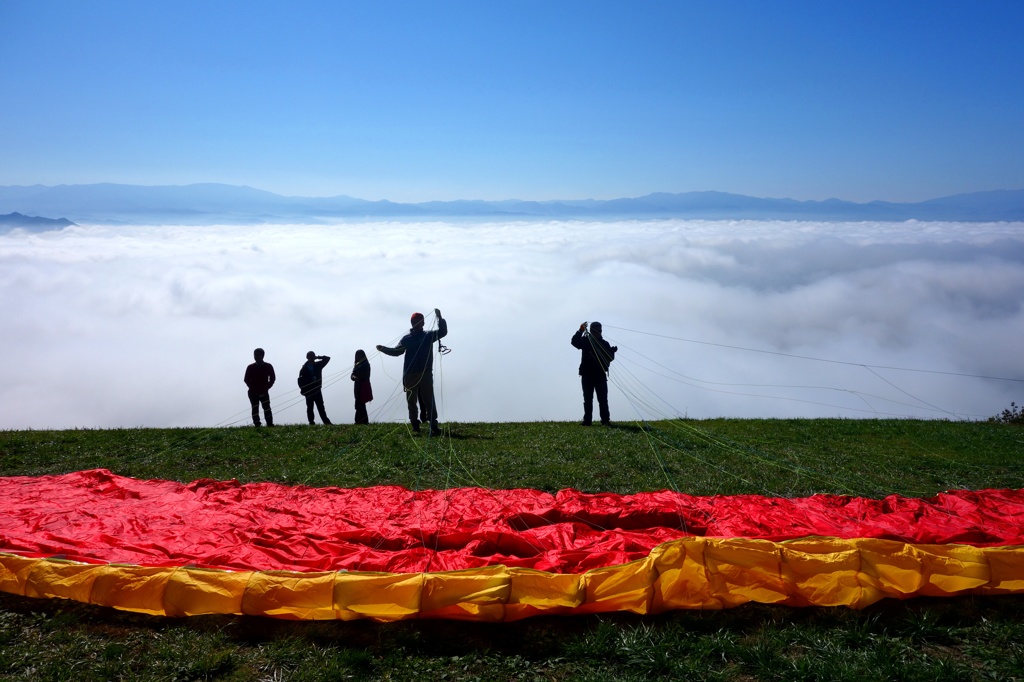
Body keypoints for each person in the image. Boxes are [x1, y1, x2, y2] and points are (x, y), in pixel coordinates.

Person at [376, 309, 447, 435]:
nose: (415, 323)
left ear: (423, 323)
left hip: (425, 373)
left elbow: (443, 332)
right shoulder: (406, 339)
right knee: (411, 400)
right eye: (413, 322)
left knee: (428, 399)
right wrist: (383, 349)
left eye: (417, 322)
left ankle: (433, 425)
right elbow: (397, 352)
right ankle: (415, 424)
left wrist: (439, 318)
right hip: (410, 374)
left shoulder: (428, 336)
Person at [571, 321, 617, 426]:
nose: (597, 333)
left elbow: (609, 358)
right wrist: (580, 331)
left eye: (599, 331)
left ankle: (605, 420)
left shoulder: (604, 344)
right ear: (591, 331)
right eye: (595, 331)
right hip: (587, 375)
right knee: (587, 399)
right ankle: (587, 420)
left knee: (603, 399)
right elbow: (574, 342)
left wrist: (612, 351)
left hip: (600, 375)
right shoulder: (586, 341)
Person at [243, 347, 275, 427]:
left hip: (264, 392)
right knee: (255, 408)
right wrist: (253, 389)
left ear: (262, 356)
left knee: (266, 408)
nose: (255, 357)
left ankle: (269, 423)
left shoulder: (268, 366)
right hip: (253, 393)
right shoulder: (250, 367)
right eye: (254, 355)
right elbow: (246, 379)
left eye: (257, 355)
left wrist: (266, 388)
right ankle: (257, 424)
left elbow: (272, 378)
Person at [298, 351, 332, 425]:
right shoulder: (304, 368)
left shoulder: (318, 365)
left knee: (321, 407)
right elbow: (300, 380)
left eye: (313, 356)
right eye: (310, 356)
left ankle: (326, 422)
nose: (311, 357)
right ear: (307, 357)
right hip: (309, 391)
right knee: (310, 408)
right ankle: (311, 422)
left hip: (317, 390)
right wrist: (309, 381)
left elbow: (327, 358)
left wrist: (318, 357)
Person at [351, 349, 372, 424]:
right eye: (356, 355)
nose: (357, 356)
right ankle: (362, 421)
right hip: (357, 386)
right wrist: (353, 377)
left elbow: (366, 375)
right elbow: (352, 374)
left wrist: (358, 377)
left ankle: (360, 421)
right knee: (359, 404)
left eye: (359, 355)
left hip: (363, 386)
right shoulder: (356, 364)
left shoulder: (366, 364)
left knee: (360, 404)